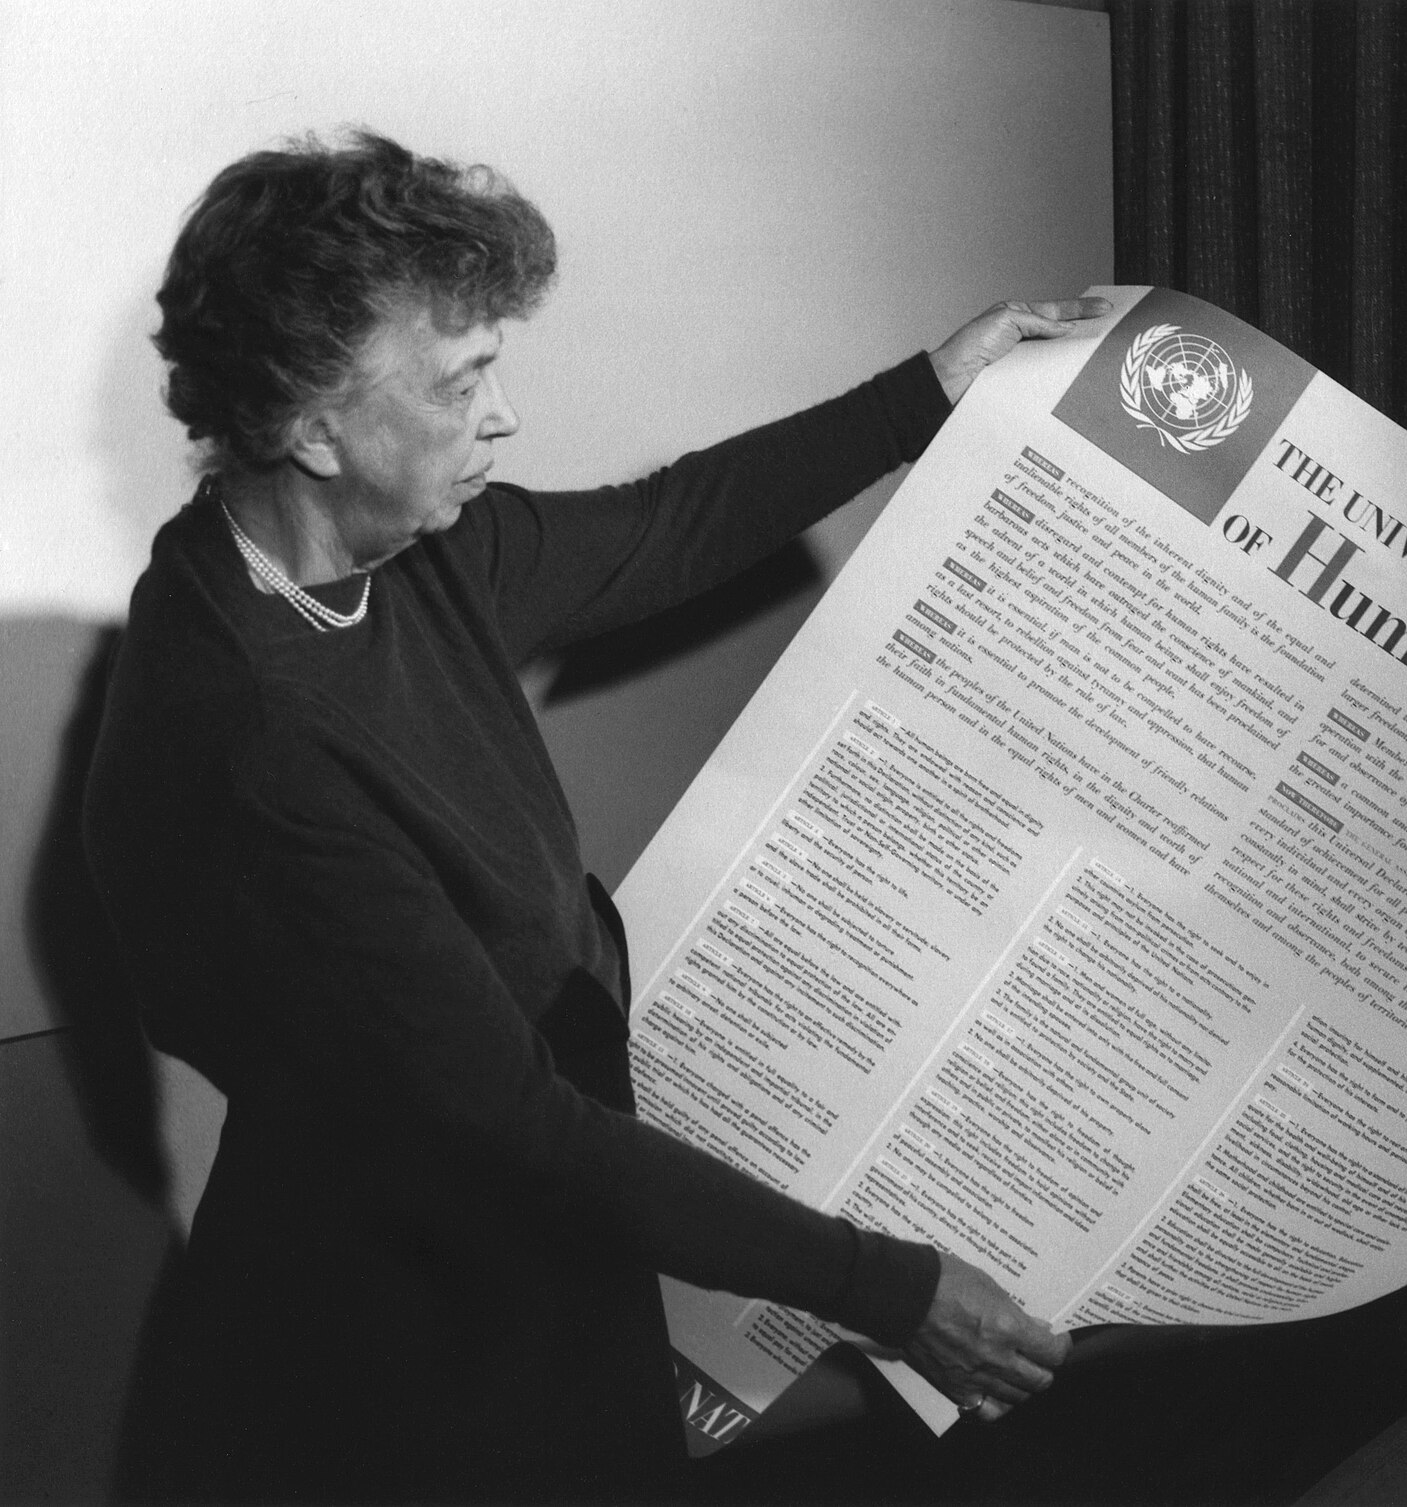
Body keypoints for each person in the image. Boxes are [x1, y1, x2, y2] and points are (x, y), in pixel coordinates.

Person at [85, 128, 1106, 1503]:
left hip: (537, 1265)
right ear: (311, 426)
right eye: (461, 381)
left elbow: (669, 524)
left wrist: (929, 389)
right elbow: (510, 1129)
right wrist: (893, 1289)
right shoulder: (254, 735)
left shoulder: (410, 556)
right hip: (400, 1358)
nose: (502, 414)